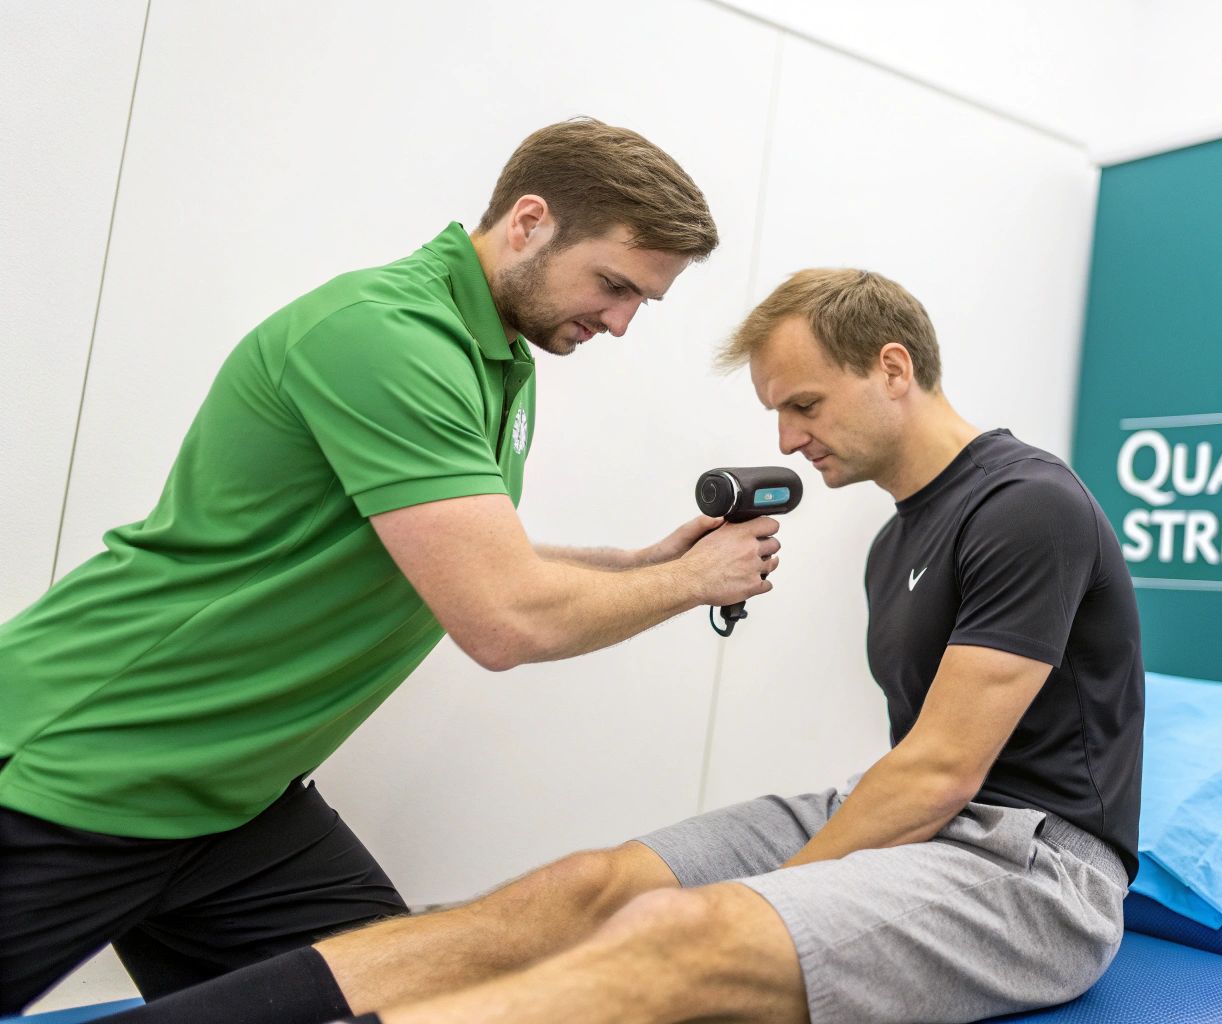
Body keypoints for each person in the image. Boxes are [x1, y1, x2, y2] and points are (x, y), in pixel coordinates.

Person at [110, 267, 1145, 1024]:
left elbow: (940, 770)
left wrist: (771, 897)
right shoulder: (895, 540)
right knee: (586, 888)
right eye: (777, 412)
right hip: (911, 813)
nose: (787, 439)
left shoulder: (1027, 505)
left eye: (804, 404)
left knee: (681, 932)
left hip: (1033, 868)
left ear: (892, 367)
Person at [0, 117, 785, 1015]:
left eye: (642, 301)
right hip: (89, 761)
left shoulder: (497, 359)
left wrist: (635, 564)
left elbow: (446, 550)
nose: (619, 322)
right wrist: (694, 581)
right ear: (529, 222)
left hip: (235, 804)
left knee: (413, 1000)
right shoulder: (388, 336)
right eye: (613, 285)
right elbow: (504, 618)